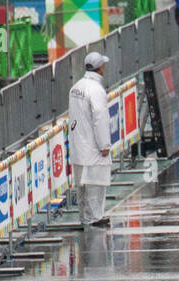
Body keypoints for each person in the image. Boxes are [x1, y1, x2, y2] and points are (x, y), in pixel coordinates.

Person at [68, 52, 112, 229]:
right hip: (92, 146)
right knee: (95, 185)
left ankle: (85, 217)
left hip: (78, 146)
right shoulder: (96, 90)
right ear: (100, 68)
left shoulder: (76, 88)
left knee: (82, 187)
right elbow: (100, 118)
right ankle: (95, 217)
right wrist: (105, 145)